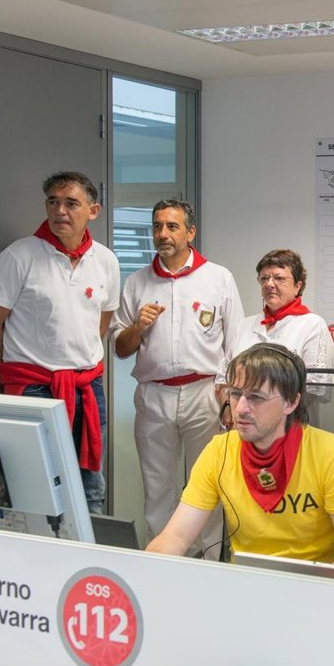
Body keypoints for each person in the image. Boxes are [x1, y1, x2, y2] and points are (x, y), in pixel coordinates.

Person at [148, 343, 334, 566]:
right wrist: (147, 570)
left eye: (256, 397)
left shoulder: (329, 453)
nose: (240, 409)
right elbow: (175, 537)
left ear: (291, 402)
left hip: (311, 582)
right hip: (246, 581)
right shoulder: (219, 451)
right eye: (235, 394)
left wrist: (320, 585)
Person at [0, 171, 119, 513]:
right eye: (53, 202)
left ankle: (88, 546)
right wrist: (21, 367)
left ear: (93, 211)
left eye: (71, 203)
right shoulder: (19, 256)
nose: (60, 211)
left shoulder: (105, 260)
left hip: (87, 387)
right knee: (32, 486)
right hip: (34, 388)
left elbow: (101, 323)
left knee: (90, 485)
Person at [110, 199, 243, 554]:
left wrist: (230, 399)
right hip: (154, 395)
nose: (163, 234)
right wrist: (138, 327)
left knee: (208, 484)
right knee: (158, 488)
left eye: (172, 226)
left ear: (190, 232)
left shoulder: (218, 278)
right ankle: (162, 561)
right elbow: (120, 348)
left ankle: (209, 560)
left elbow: (235, 345)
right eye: (157, 226)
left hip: (205, 393)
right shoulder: (136, 282)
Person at [219, 248, 331, 402]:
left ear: (297, 286)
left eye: (279, 278)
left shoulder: (313, 325)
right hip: (241, 413)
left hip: (292, 415)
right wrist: (228, 409)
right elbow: (224, 377)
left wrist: (275, 412)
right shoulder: (243, 326)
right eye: (264, 278)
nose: (269, 284)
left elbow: (316, 389)